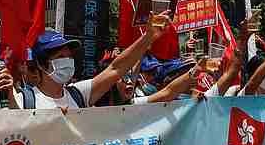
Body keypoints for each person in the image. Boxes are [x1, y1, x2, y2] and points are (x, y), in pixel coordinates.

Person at [12, 12, 170, 110]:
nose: (67, 61)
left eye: (69, 56)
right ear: (41, 63)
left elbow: (116, 69)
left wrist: (148, 37)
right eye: (60, 57)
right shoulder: (24, 102)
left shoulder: (78, 95)